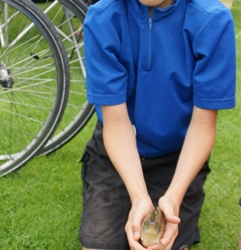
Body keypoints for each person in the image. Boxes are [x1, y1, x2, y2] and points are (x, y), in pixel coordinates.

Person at [79, 0, 236, 249]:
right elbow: (116, 124)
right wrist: (139, 196)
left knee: (163, 244)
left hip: (179, 154)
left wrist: (173, 197)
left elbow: (203, 125)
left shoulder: (213, 20)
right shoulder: (102, 18)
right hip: (116, 153)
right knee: (99, 244)